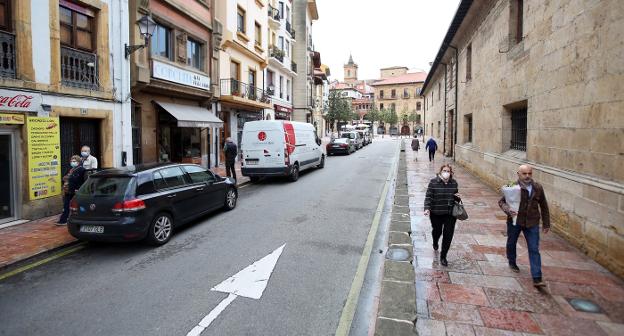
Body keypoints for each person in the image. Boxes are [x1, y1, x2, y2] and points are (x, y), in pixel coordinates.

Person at [498, 164, 550, 288]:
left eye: (529, 173)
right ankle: (512, 261)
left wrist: (546, 223)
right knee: (512, 242)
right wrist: (508, 210)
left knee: (534, 248)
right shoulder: (511, 185)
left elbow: (544, 206)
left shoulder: (538, 187)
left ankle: (537, 277)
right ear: (518, 174)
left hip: (532, 222)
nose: (527, 176)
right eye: (524, 173)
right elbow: (501, 202)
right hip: (515, 221)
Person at [424, 164, 460, 266]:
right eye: (444, 170)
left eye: (448, 171)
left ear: (451, 173)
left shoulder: (454, 183)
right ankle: (435, 241)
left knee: (448, 235)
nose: (446, 173)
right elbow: (428, 196)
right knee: (437, 231)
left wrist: (458, 198)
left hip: (450, 214)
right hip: (436, 212)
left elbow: (456, 196)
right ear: (440, 172)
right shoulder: (433, 182)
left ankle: (443, 256)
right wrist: (427, 208)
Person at [57, 155, 86, 225]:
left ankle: (83, 218)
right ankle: (63, 220)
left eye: (74, 161)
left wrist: (78, 188)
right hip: (67, 190)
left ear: (78, 162)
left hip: (75, 190)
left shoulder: (81, 170)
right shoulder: (70, 169)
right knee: (66, 205)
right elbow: (65, 177)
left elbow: (82, 180)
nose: (72, 162)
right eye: (71, 161)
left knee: (79, 205)